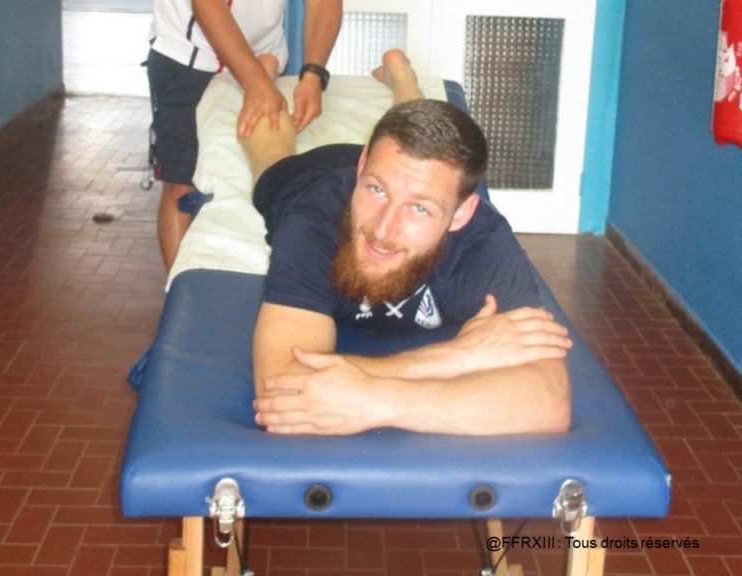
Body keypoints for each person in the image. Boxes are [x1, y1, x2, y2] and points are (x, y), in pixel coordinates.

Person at [244, 49, 573, 437]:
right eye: (376, 190)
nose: (384, 230)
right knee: (270, 153)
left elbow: (549, 400)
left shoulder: (482, 241)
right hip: (308, 176)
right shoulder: (313, 219)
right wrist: (456, 356)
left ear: (462, 214)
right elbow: (283, 389)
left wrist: (378, 401)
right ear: (362, 167)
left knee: (422, 133)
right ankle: (261, 81)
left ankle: (401, 77)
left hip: (397, 167)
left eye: (419, 209)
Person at [148, 0, 343, 270]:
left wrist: (314, 74)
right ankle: (180, 289)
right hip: (191, 56)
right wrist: (257, 83)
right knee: (183, 185)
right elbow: (207, 6)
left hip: (265, 53)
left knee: (245, 178)